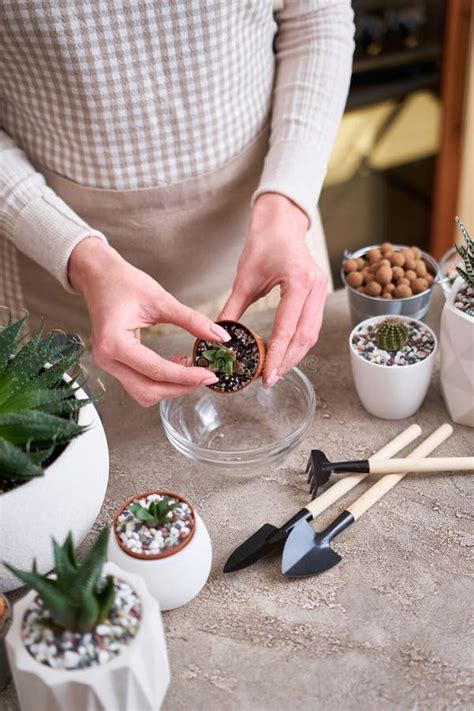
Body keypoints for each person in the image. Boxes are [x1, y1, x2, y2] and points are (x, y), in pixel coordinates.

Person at [0, 1, 354, 406]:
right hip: (53, 254)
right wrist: (83, 260)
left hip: (273, 237)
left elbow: (316, 16)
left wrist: (287, 205)